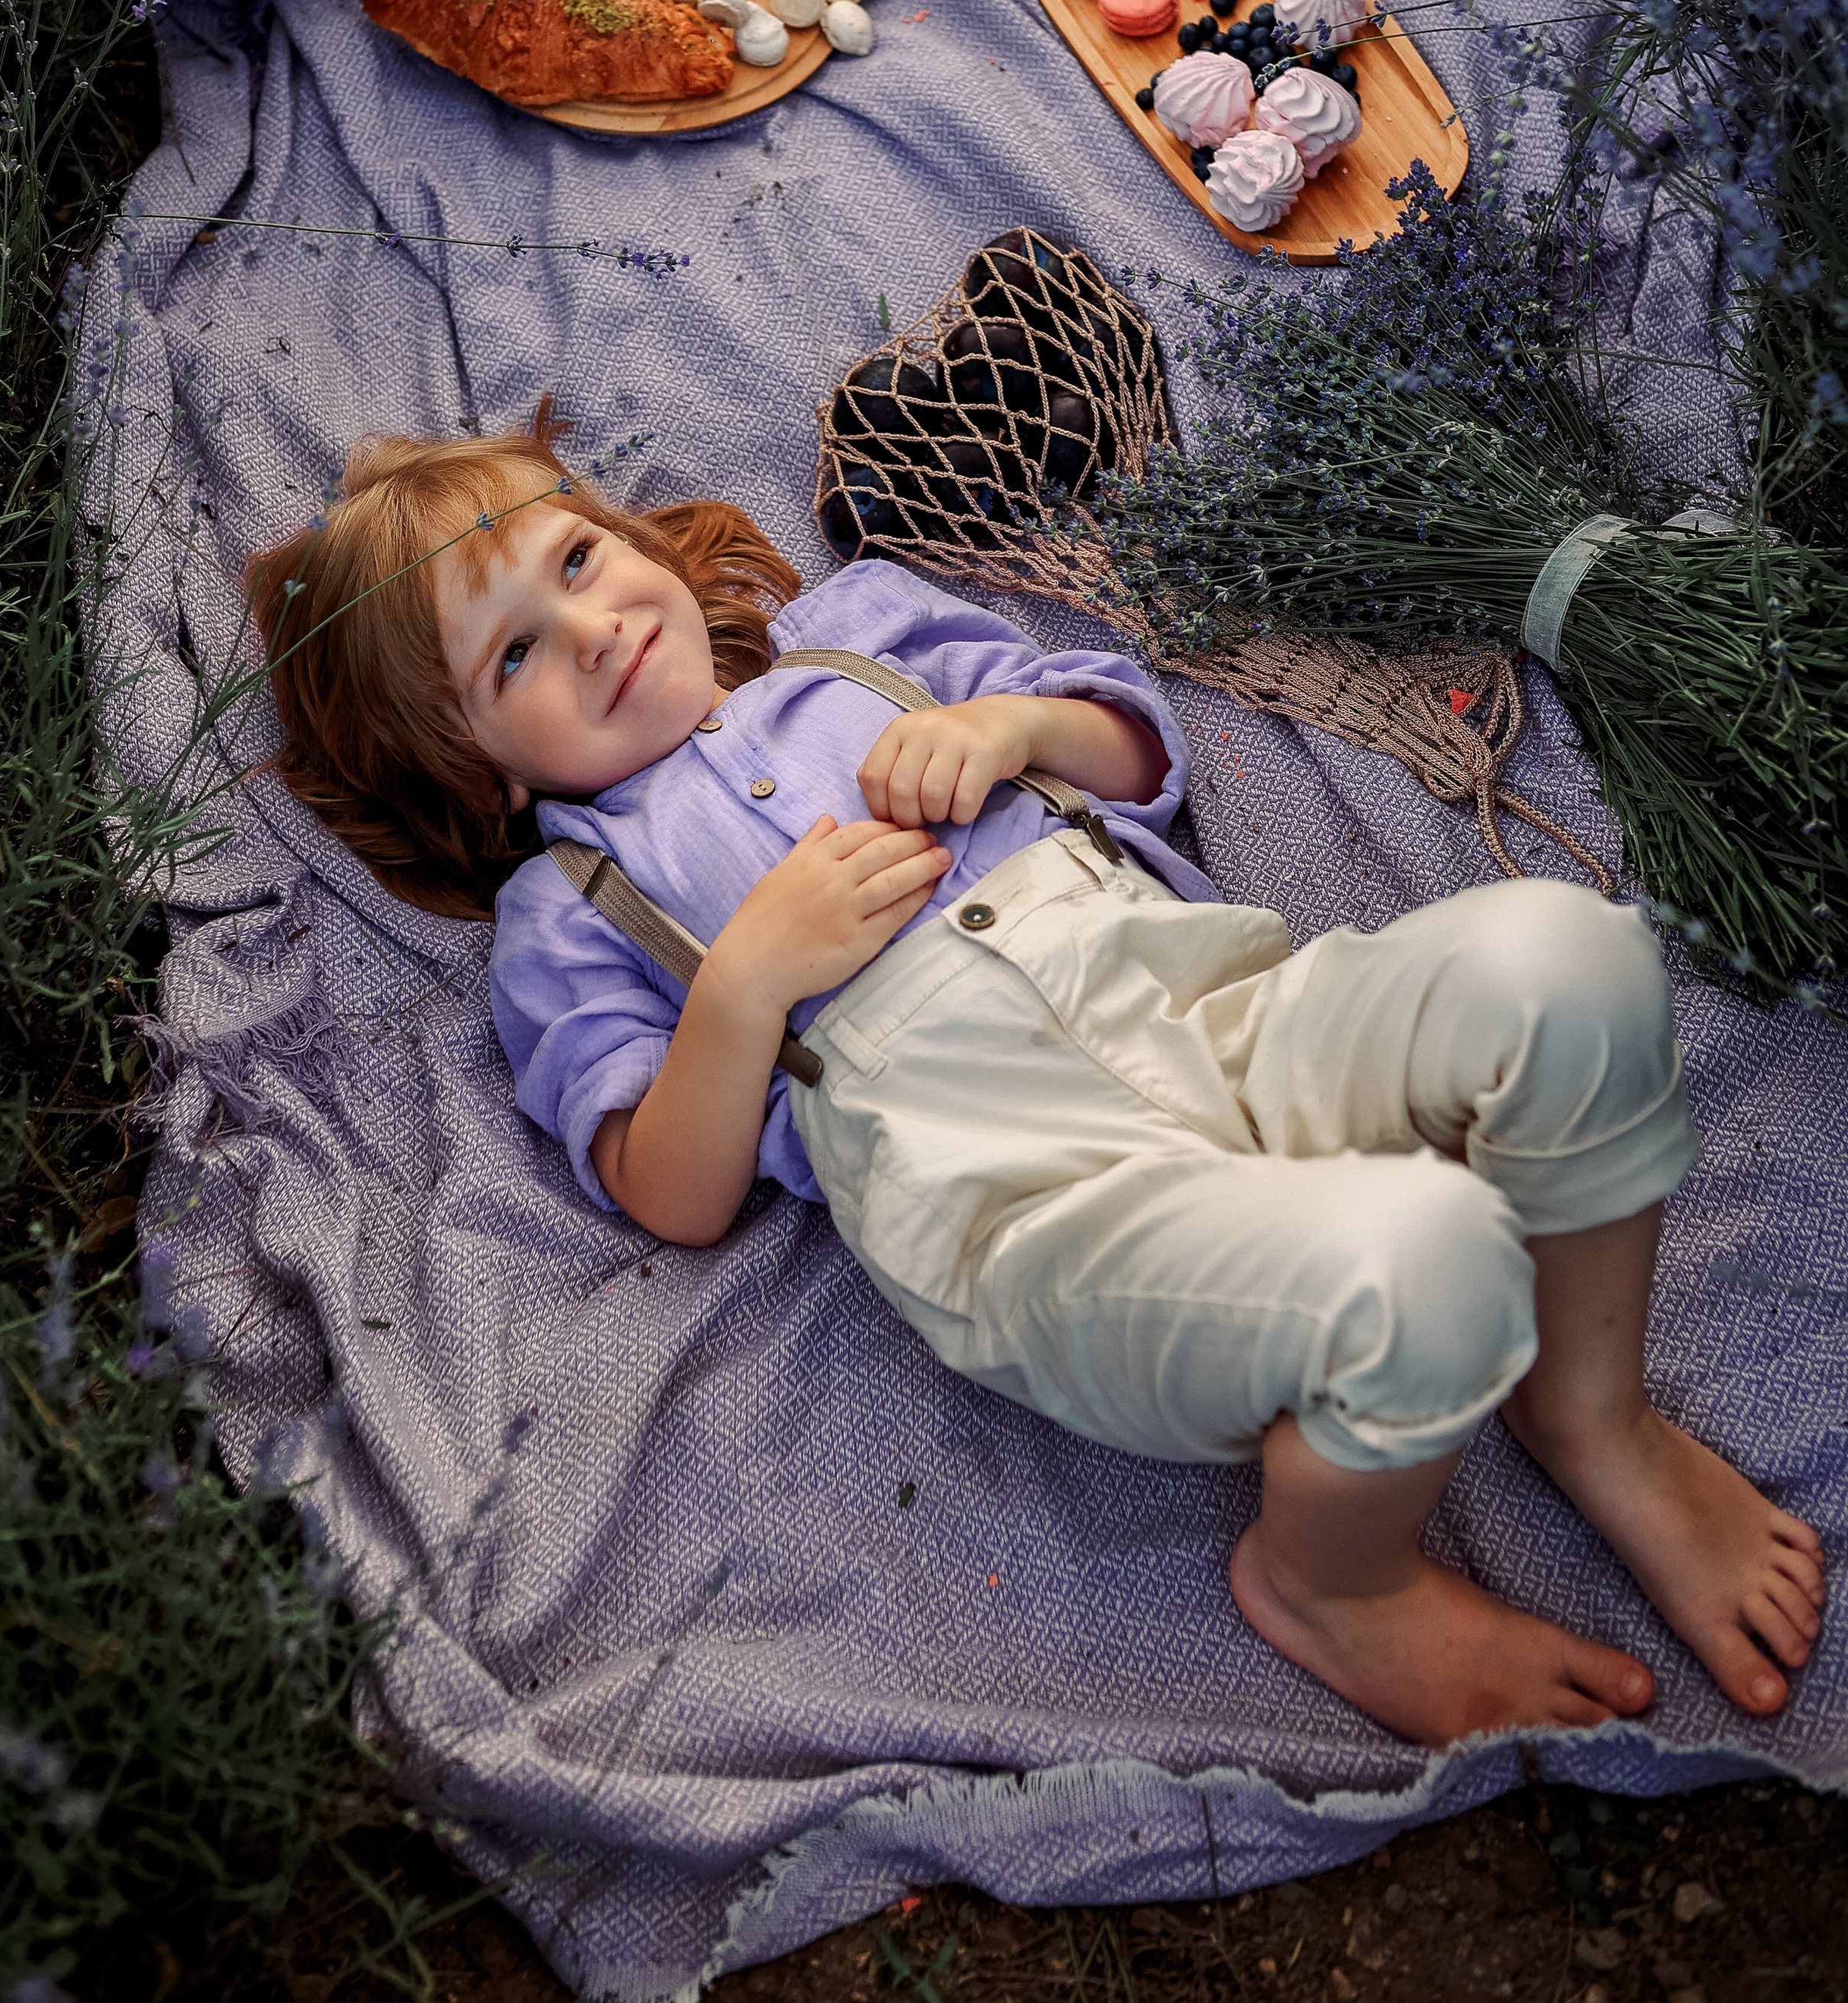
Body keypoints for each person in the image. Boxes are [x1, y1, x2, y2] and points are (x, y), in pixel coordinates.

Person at [249, 404, 1824, 1751]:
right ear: (481, 768)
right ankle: (1329, 1579)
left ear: (629, 539)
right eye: (513, 648)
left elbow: (1140, 756)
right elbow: (667, 1188)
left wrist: (1008, 725)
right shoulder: (569, 905)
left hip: (1220, 1018)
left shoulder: (854, 636)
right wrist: (744, 980)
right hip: (1034, 1197)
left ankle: (1590, 1409)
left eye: (576, 559)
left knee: (1575, 960)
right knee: (1433, 1260)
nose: (588, 625)